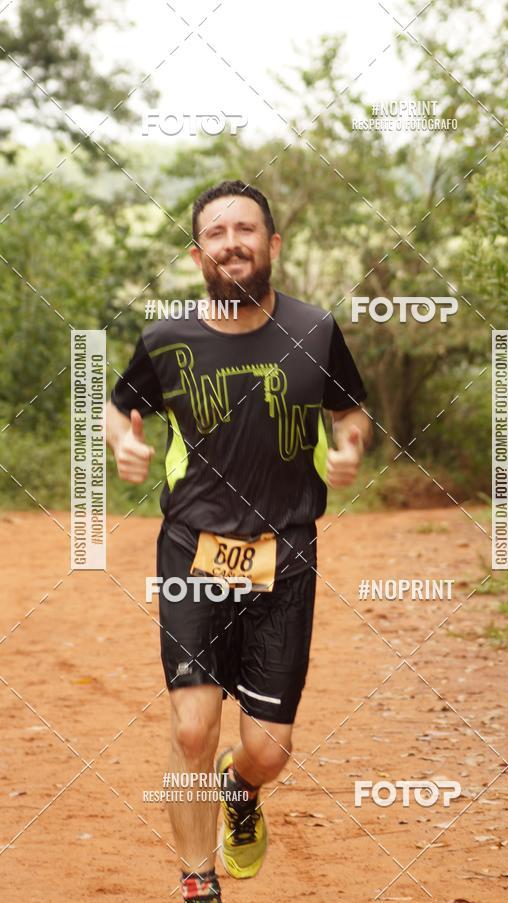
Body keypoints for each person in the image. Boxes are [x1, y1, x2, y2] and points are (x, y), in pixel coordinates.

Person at [106, 179, 372, 902]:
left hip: (284, 555)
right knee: (192, 726)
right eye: (216, 233)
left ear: (272, 243)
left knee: (267, 749)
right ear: (198, 253)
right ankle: (199, 882)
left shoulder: (315, 332)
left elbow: (351, 412)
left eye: (245, 229)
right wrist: (120, 445)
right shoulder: (164, 341)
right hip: (192, 551)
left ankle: (241, 785)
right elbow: (118, 405)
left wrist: (349, 446)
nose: (232, 243)